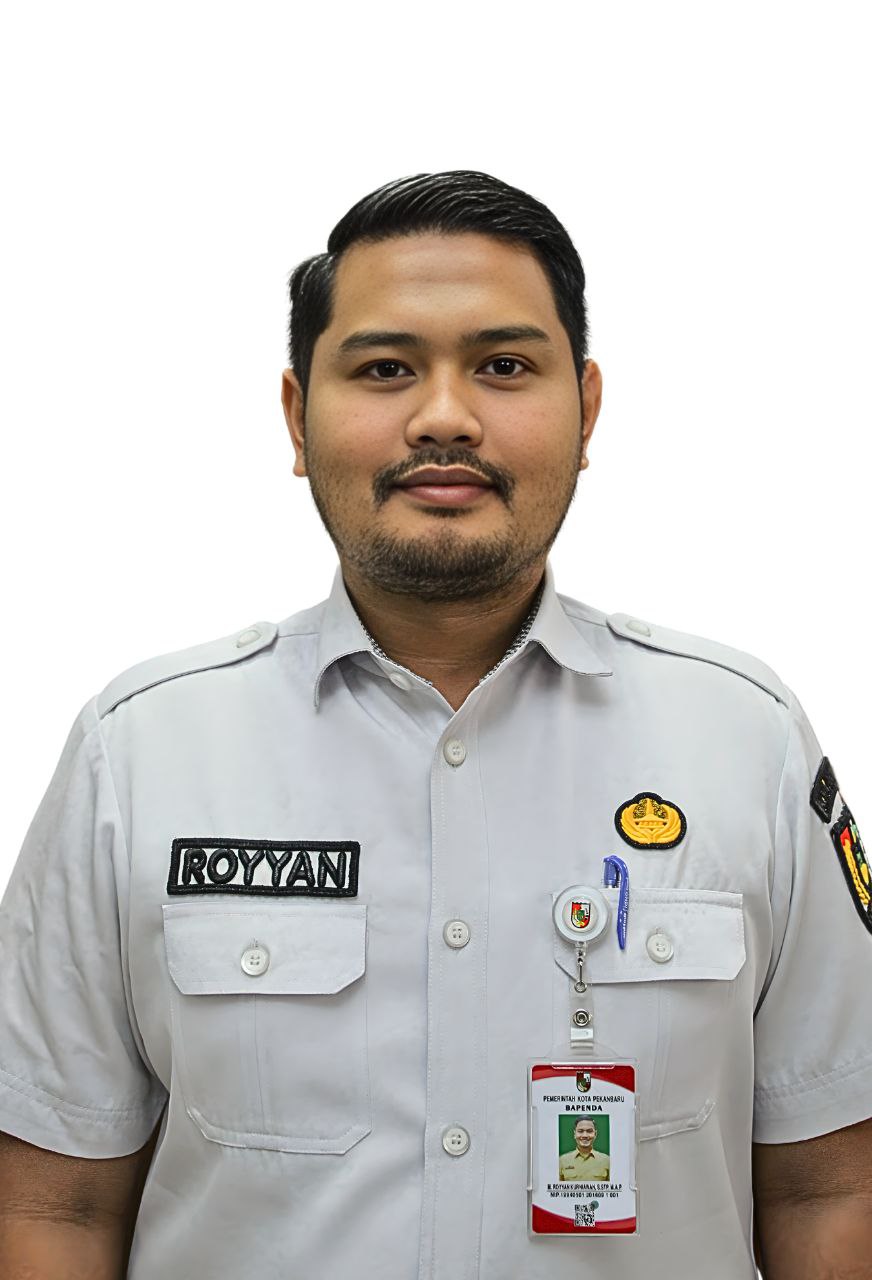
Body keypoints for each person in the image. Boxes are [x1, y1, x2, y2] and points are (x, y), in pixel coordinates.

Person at [0, 169, 870, 1280]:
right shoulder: (139, 754)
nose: (444, 416)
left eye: (503, 366)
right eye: (385, 369)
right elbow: (57, 1205)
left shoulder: (745, 741)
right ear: (297, 416)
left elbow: (828, 1185)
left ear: (587, 409)